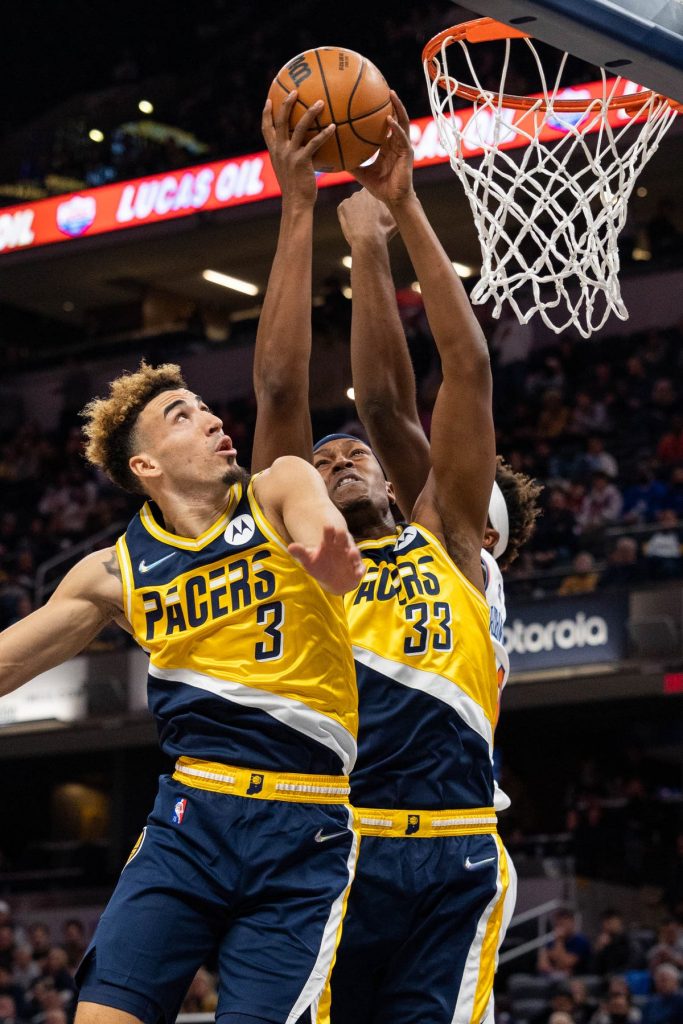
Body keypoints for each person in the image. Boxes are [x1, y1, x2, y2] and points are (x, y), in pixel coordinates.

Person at [0, 353, 366, 1024]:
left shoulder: (278, 486)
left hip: (304, 826)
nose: (212, 420)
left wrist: (331, 553)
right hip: (189, 821)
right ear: (146, 465)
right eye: (183, 415)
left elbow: (320, 520)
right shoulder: (112, 573)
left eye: (205, 408)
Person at [258, 88, 516, 1024]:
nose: (338, 459)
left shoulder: (452, 540)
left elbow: (462, 374)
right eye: (321, 461)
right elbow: (282, 392)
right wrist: (297, 209)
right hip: (338, 842)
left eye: (354, 456)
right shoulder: (297, 558)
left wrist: (404, 208)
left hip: (455, 845)